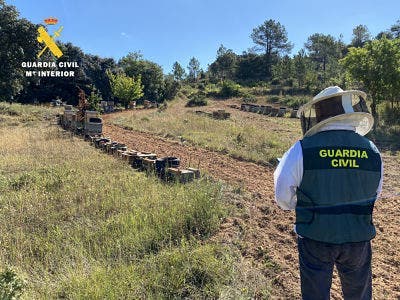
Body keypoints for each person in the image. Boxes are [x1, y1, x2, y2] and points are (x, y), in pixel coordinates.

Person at [274, 86, 383, 300]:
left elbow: (282, 195)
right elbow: (374, 193)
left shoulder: (302, 149)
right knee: (358, 295)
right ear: (347, 111)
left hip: (315, 236)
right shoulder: (372, 150)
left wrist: (304, 205)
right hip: (358, 239)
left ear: (320, 113)